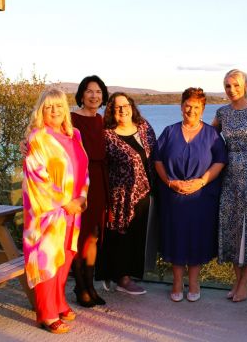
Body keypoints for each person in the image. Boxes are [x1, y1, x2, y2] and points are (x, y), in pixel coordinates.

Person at [22, 87, 89, 334]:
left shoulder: (75, 135)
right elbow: (36, 177)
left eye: (59, 106)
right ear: (41, 110)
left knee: (65, 257)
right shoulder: (37, 138)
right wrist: (65, 203)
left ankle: (59, 302)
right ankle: (46, 313)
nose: (54, 111)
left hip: (74, 209)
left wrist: (82, 196)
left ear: (66, 109)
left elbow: (84, 169)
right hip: (48, 212)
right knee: (47, 259)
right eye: (49, 106)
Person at [154, 87, 227, 302]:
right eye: (188, 106)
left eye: (196, 107)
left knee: (197, 238)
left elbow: (220, 161)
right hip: (173, 196)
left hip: (201, 197)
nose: (191, 110)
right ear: (181, 107)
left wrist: (202, 181)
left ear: (203, 109)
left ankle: (194, 282)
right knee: (175, 237)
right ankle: (177, 281)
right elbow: (157, 159)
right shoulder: (169, 131)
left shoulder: (212, 135)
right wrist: (169, 182)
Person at [213, 69, 247, 302]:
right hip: (229, 177)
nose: (231, 89)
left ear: (245, 85)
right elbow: (207, 138)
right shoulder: (222, 113)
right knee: (232, 227)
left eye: (236, 85)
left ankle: (246, 281)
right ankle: (237, 280)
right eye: (227, 86)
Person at [95, 92, 157, 295]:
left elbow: (157, 154)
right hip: (118, 196)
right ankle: (122, 278)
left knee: (137, 235)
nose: (123, 109)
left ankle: (118, 274)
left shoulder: (145, 128)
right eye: (117, 107)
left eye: (126, 105)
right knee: (120, 237)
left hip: (143, 193)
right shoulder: (106, 135)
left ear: (132, 106)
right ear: (111, 111)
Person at [70, 76, 110, 307]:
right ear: (81, 95)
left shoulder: (101, 120)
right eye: (89, 91)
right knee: (79, 234)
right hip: (80, 181)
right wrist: (26, 143)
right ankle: (80, 287)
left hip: (99, 180)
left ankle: (90, 285)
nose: (94, 95)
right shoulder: (71, 119)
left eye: (98, 92)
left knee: (94, 234)